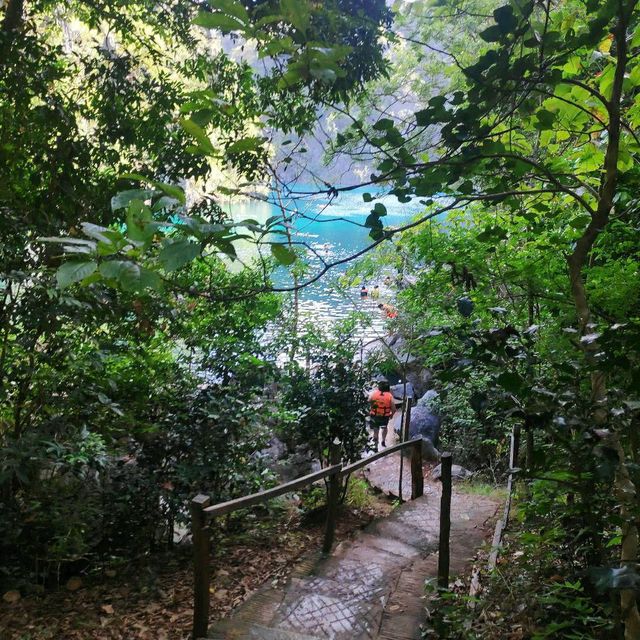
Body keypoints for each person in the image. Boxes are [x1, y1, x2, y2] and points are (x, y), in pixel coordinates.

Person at [369, 380, 395, 450]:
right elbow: (394, 409)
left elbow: (369, 400)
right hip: (384, 416)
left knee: (375, 430)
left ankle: (376, 445)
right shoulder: (390, 396)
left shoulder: (374, 394)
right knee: (384, 427)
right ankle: (383, 441)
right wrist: (391, 415)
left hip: (374, 415)